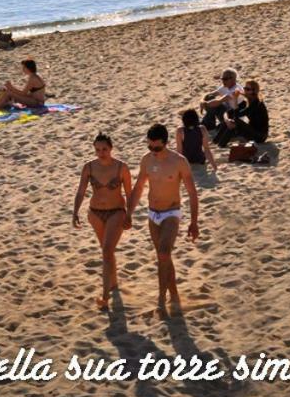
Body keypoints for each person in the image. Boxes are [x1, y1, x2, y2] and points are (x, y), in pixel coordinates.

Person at [127, 124, 200, 311]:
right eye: (149, 147)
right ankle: (172, 293)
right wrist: (128, 213)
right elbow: (138, 188)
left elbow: (192, 193)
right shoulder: (146, 160)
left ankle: (162, 298)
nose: (153, 151)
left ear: (166, 143)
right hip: (153, 213)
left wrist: (194, 222)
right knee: (163, 257)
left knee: (164, 252)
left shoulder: (179, 162)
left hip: (171, 212)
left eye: (157, 148)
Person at [72, 133, 133, 309]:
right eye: (97, 149)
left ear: (111, 148)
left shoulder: (122, 167)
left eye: (104, 149)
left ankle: (105, 296)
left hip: (116, 212)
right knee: (107, 250)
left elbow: (129, 194)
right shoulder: (89, 167)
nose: (101, 153)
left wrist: (129, 214)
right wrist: (75, 212)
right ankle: (113, 284)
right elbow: (81, 191)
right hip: (95, 213)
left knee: (107, 250)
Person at [215, 79, 269, 147]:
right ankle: (216, 141)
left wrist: (235, 99)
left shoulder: (257, 104)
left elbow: (237, 116)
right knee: (230, 121)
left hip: (260, 136)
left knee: (235, 121)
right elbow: (228, 112)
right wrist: (227, 121)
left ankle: (221, 144)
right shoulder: (246, 101)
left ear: (253, 91)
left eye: (248, 89)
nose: (245, 90)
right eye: (245, 88)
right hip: (251, 131)